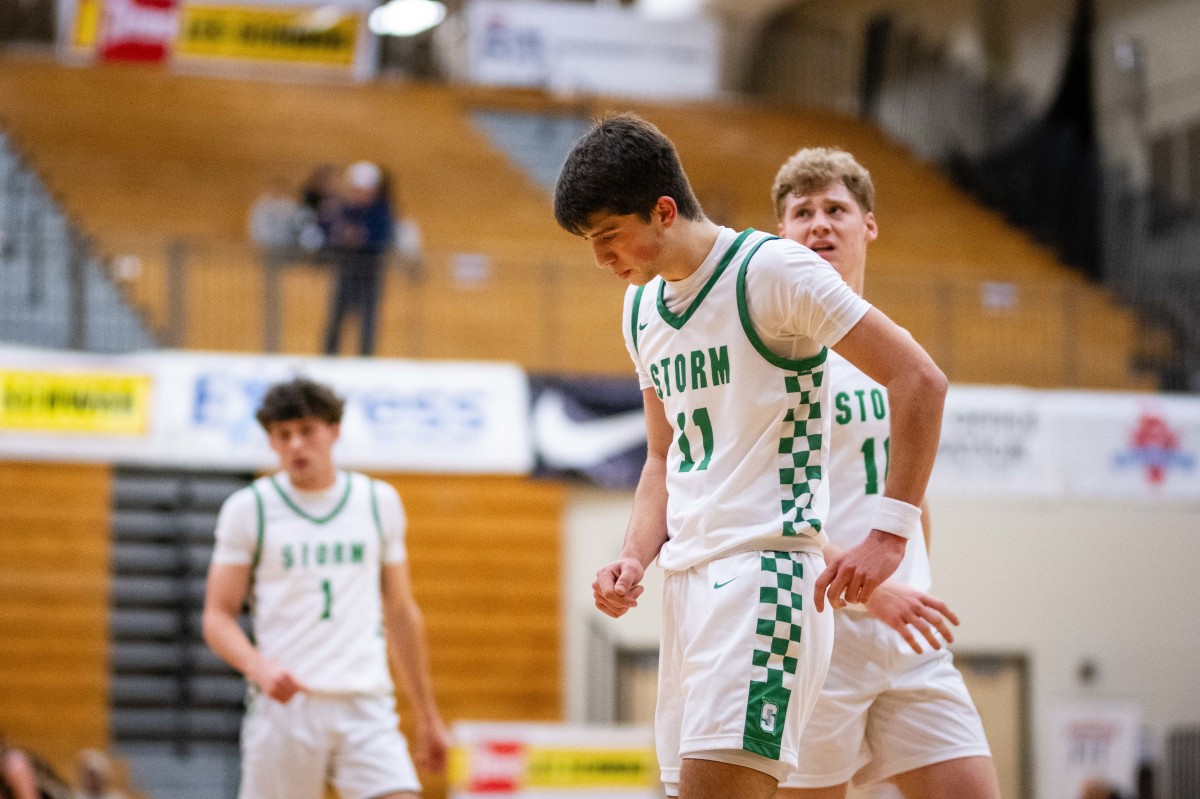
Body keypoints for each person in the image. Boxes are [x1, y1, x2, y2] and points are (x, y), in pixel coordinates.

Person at [554, 113, 948, 799]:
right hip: (687, 585)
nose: (599, 258)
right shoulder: (640, 309)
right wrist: (634, 555)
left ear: (663, 211)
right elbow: (659, 456)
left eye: (607, 236)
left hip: (768, 575)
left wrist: (889, 533)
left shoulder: (773, 270)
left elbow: (920, 380)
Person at [770, 147, 998, 799]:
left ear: (868, 225)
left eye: (835, 208)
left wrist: (912, 576)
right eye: (802, 211)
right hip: (819, 632)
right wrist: (870, 589)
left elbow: (910, 494)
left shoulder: (889, 348)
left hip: (907, 640)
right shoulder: (777, 358)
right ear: (781, 235)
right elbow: (766, 503)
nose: (819, 223)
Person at [202, 377, 449, 799]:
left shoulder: (377, 501)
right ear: (272, 443)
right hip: (286, 708)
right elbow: (217, 615)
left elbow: (402, 612)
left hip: (364, 702)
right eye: (283, 435)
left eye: (307, 430)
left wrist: (427, 713)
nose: (296, 444)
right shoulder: (249, 509)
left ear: (333, 431)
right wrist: (257, 667)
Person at [323, 161, 395, 356]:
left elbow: (383, 236)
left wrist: (362, 237)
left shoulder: (381, 211)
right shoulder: (342, 209)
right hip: (347, 267)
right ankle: (329, 357)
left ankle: (365, 358)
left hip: (370, 270)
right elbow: (329, 231)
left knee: (368, 319)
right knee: (336, 316)